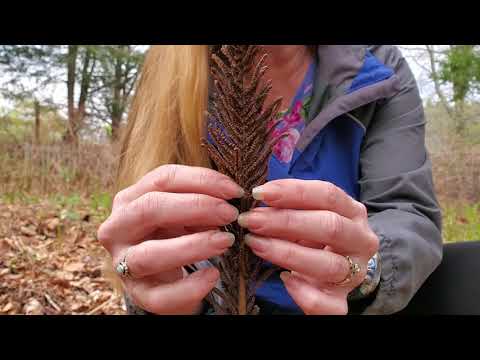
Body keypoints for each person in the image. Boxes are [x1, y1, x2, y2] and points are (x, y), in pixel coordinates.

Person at [97, 45, 442, 315]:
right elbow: (145, 248)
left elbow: (409, 213)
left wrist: (366, 269)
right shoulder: (171, 75)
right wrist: (158, 290)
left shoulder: (378, 66)